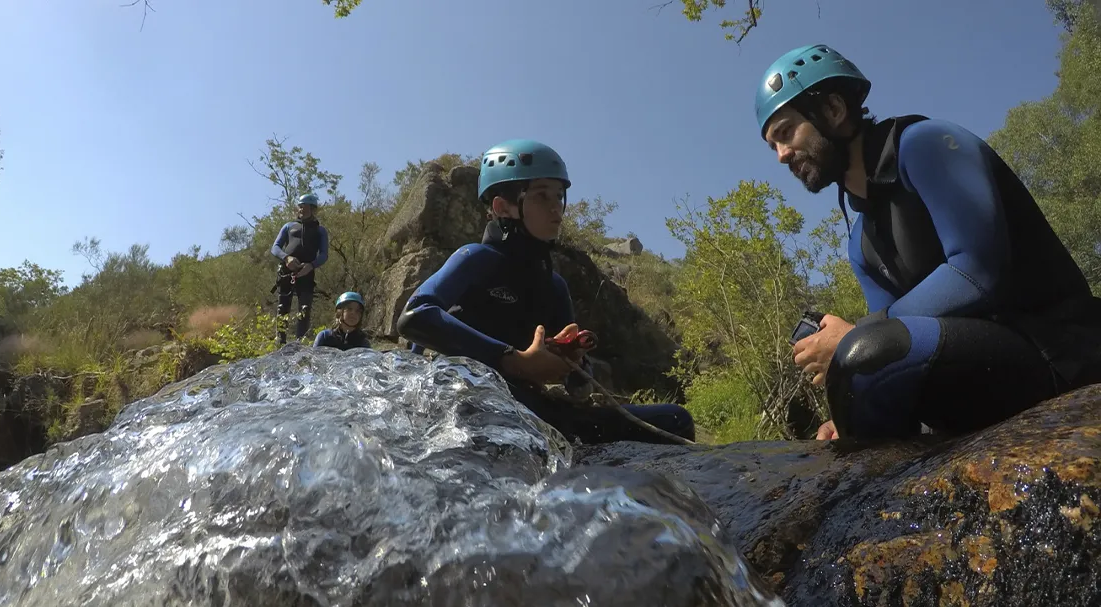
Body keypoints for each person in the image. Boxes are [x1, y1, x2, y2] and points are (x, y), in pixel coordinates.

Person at [756, 44, 1101, 441]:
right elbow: (895, 335)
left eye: (786, 133)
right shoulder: (860, 243)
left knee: (868, 349)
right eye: (772, 145)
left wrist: (855, 339)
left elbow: (977, 271)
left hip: (1059, 351)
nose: (781, 155)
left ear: (833, 109)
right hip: (984, 372)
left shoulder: (927, 144)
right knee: (863, 368)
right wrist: (850, 405)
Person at [396, 139, 695, 445]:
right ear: (503, 207)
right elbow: (415, 315)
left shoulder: (554, 286)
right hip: (465, 404)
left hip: (530, 409)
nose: (556, 209)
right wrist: (514, 361)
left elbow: (576, 385)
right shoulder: (475, 258)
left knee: (676, 420)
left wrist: (576, 369)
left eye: (559, 196)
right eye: (541, 196)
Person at [270, 193, 329, 346]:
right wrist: (286, 258)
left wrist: (311, 265)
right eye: (300, 206)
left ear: (312, 208)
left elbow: (324, 254)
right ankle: (280, 343)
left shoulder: (320, 231)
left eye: (304, 206)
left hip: (307, 272)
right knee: (282, 307)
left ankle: (299, 344)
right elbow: (275, 248)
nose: (301, 209)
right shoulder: (289, 226)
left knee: (304, 310)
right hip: (286, 270)